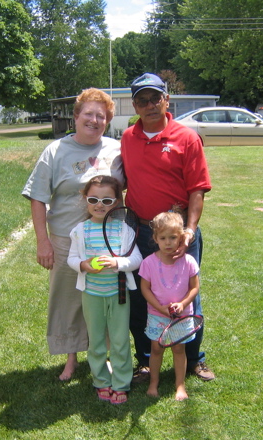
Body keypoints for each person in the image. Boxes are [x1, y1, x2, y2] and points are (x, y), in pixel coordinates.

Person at [22, 88, 124, 381]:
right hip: (67, 240)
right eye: (88, 114)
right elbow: (38, 197)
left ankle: (100, 354)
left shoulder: (116, 150)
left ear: (107, 121)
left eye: (101, 116)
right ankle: (71, 358)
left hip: (106, 241)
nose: (94, 120)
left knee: (103, 300)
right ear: (76, 116)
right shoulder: (55, 151)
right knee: (68, 300)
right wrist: (43, 241)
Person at [121, 73, 215, 382]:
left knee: (187, 293)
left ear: (166, 100)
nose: (149, 105)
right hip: (140, 233)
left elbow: (197, 190)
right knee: (141, 296)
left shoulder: (186, 138)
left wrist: (188, 231)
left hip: (178, 235)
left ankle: (193, 359)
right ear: (135, 104)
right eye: (141, 100)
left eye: (154, 99)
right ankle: (147, 360)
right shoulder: (127, 138)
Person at [68, 176, 142, 404]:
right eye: (93, 199)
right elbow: (72, 258)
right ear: (85, 200)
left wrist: (118, 263)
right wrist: (83, 265)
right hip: (91, 294)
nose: (99, 205)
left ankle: (121, 383)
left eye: (107, 200)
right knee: (97, 341)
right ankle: (101, 381)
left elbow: (136, 259)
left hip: (118, 295)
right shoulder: (80, 230)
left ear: (117, 202)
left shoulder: (123, 229)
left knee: (120, 341)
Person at [139, 212, 199, 400]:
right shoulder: (149, 263)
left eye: (173, 237)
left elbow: (195, 288)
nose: (168, 242)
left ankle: (180, 385)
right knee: (156, 349)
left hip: (182, 316)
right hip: (157, 315)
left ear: (181, 237)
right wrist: (160, 307)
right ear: (155, 238)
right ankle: (153, 382)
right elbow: (145, 289)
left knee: (179, 349)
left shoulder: (188, 261)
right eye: (163, 238)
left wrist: (182, 304)